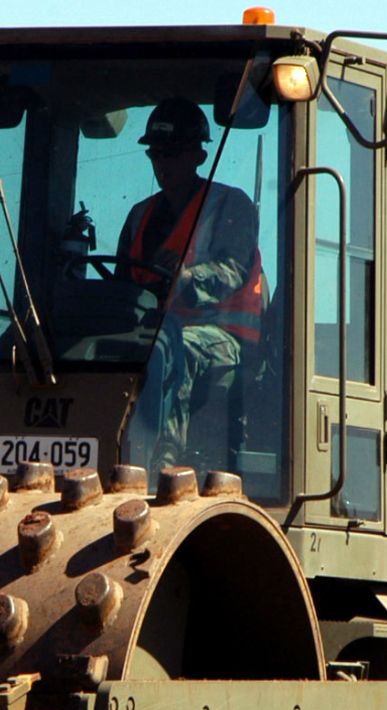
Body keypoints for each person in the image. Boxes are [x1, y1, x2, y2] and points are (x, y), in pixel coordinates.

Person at [116, 97, 265, 471]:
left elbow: (232, 270)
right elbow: (121, 284)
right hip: (156, 331)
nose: (162, 163)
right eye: (156, 154)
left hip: (225, 336)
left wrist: (187, 278)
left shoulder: (232, 206)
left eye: (173, 153)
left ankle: (163, 467)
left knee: (169, 351)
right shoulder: (140, 216)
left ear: (199, 155)